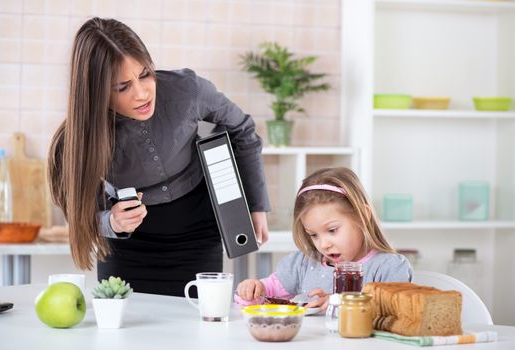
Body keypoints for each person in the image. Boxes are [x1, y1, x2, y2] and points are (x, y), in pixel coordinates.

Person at [47, 17, 270, 296]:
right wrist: (112, 222)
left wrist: (255, 205)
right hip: (128, 248)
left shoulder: (188, 90)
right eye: (122, 87)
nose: (142, 94)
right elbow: (81, 216)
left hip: (199, 236)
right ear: (95, 91)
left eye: (144, 74)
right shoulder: (75, 140)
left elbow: (243, 129)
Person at [236, 167, 412, 310]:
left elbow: (397, 311)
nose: (324, 244)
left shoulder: (389, 267)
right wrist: (252, 290)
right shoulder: (304, 263)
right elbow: (264, 296)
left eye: (332, 230)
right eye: (313, 235)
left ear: (363, 216)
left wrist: (342, 303)